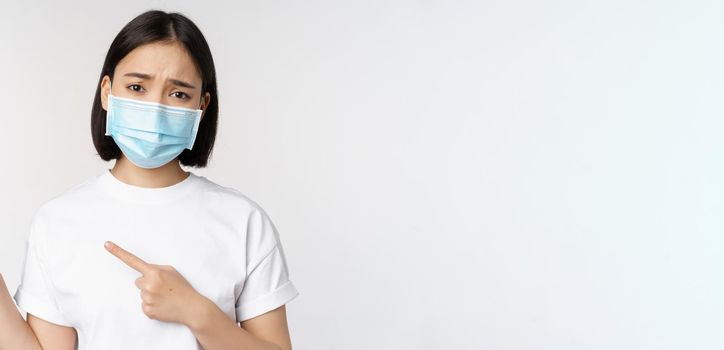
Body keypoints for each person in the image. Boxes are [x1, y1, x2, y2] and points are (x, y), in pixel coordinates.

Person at [0, 10, 299, 350]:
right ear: (107, 92)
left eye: (178, 94)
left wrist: (197, 312)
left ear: (201, 108)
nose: (155, 108)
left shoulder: (244, 222)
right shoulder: (57, 221)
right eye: (137, 87)